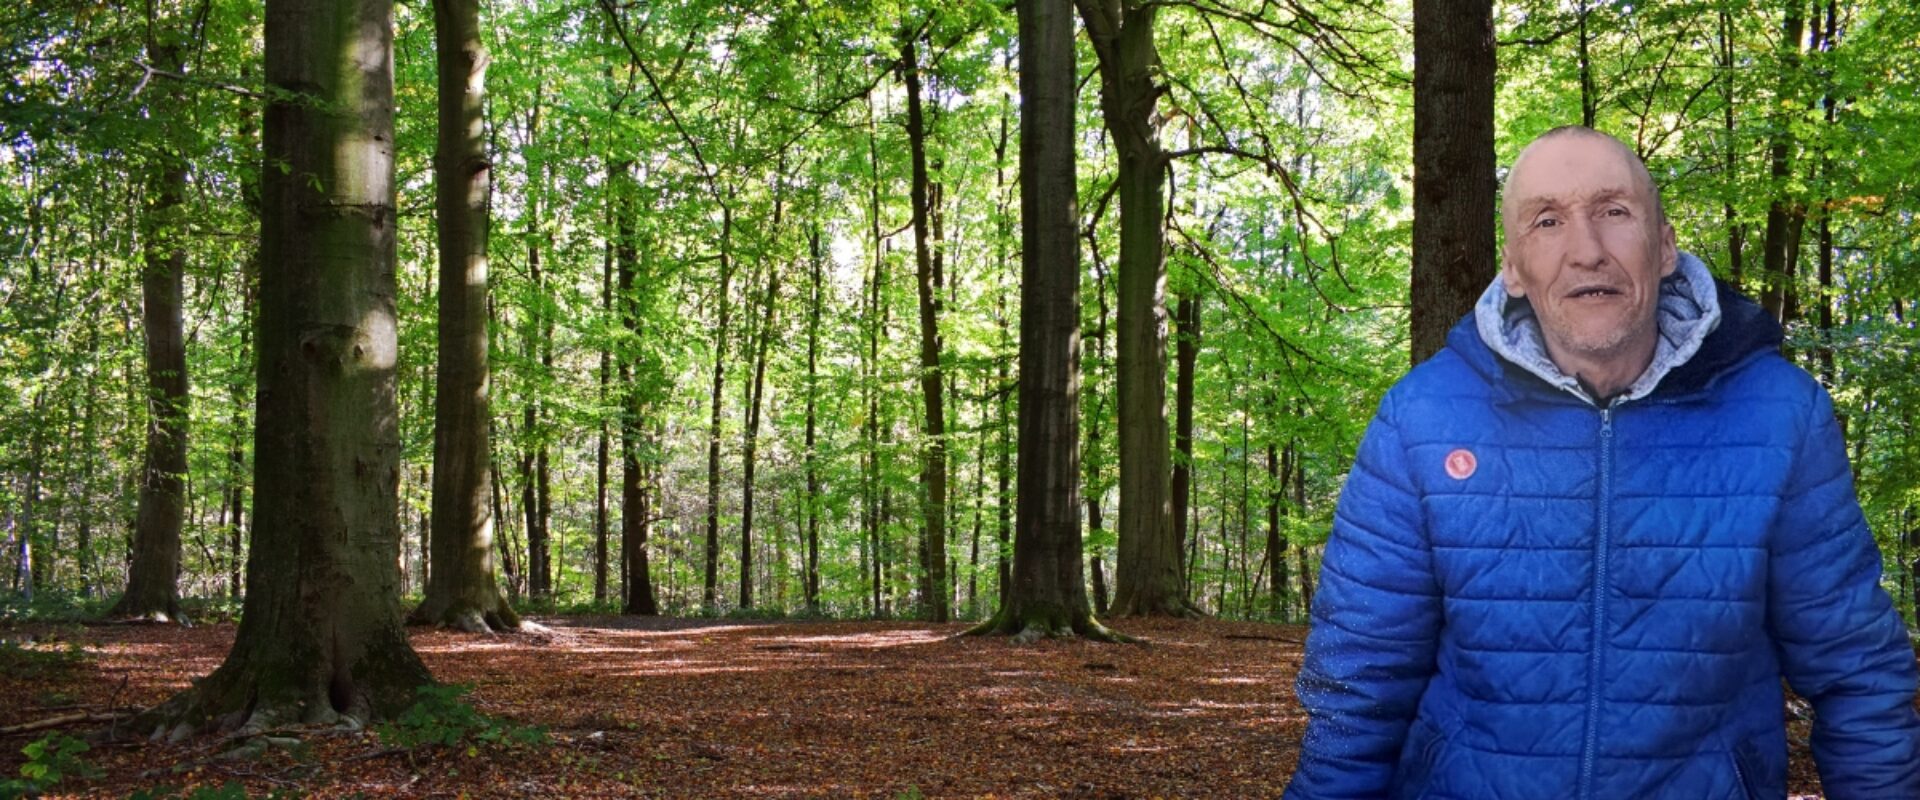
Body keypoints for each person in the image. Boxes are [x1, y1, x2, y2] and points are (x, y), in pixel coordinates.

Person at [1283, 126, 1920, 798]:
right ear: (1514, 268)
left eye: (1614, 212)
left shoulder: (1781, 416)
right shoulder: (1421, 420)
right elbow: (1356, 691)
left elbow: (1858, 674)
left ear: (1665, 245)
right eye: (1548, 221)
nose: (1586, 251)